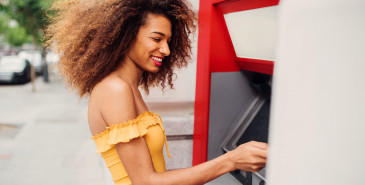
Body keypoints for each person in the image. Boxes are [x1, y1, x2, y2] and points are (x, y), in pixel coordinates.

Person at [45, 0, 268, 184]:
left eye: (169, 41)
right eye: (156, 38)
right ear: (126, 34)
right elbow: (145, 181)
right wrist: (231, 160)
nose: (166, 50)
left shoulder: (128, 87)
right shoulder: (115, 90)